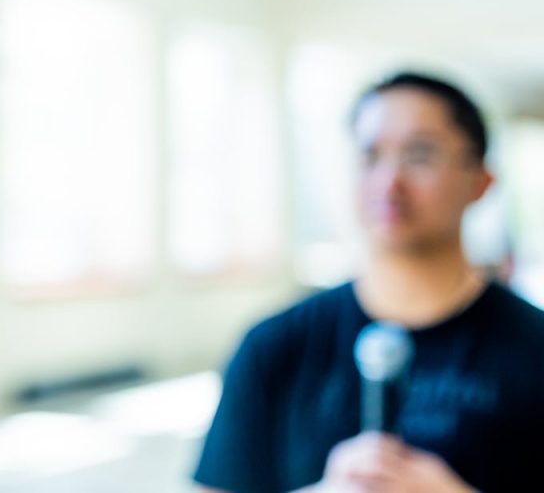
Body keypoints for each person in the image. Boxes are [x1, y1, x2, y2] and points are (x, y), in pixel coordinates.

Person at [193, 72, 544, 493]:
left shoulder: (533, 347)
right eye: (370, 155)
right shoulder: (275, 346)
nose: (389, 183)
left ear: (480, 181)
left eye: (420, 155)